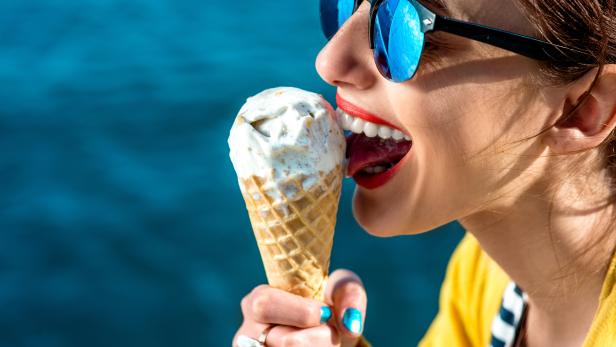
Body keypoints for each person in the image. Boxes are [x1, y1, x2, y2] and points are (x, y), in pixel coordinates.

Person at [233, 0, 616, 345]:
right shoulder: (483, 276)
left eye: (404, 24)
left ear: (583, 109)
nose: (329, 61)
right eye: (345, 4)